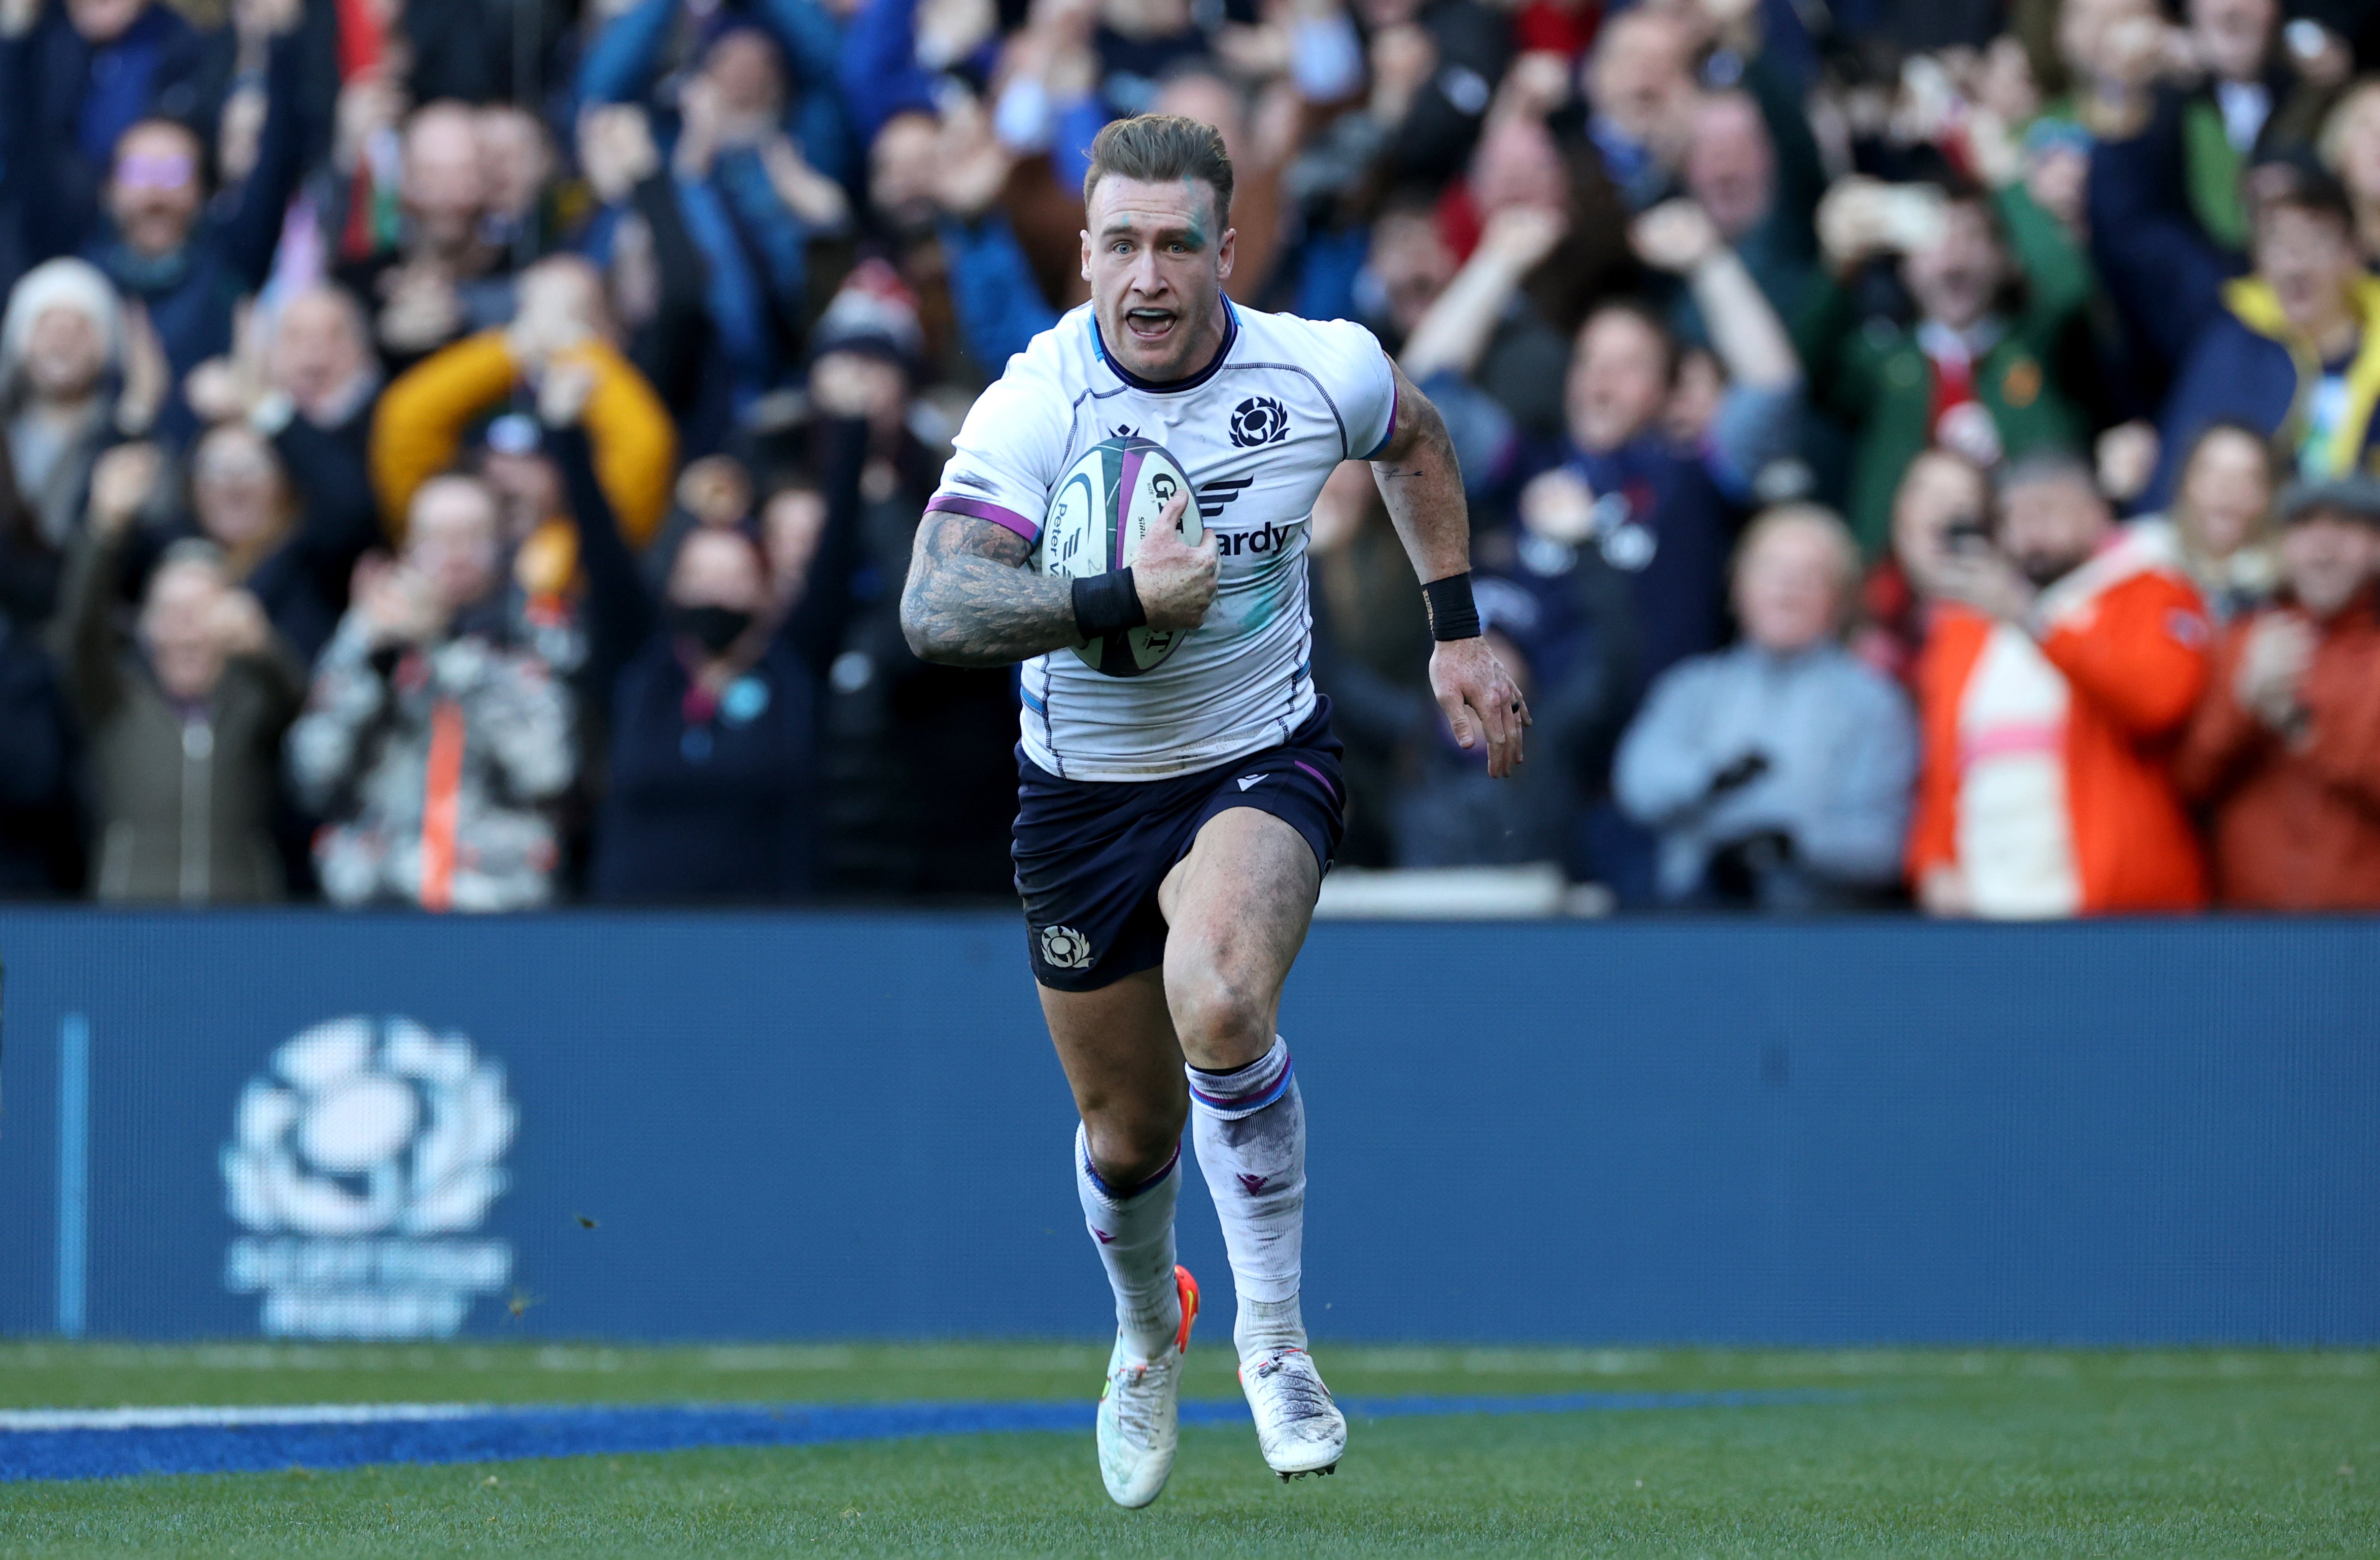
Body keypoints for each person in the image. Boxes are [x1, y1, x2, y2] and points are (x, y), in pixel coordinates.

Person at [898, 115, 1526, 1503]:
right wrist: (1118, 597)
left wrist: (1455, 627)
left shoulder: (1317, 367)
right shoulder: (1036, 402)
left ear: (1225, 251)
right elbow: (934, 607)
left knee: (1225, 1000)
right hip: (1081, 800)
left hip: (1258, 757)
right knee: (1129, 1138)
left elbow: (1410, 438)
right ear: (1083, 255)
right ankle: (1142, 1332)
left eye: (1178, 241)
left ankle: (1278, 1342)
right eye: (1119, 241)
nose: (1148, 273)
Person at [1909, 453, 2212, 918]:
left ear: (2098, 514)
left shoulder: (2152, 592)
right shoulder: (1967, 626)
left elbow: (2158, 703)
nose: (2031, 530)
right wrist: (1934, 861)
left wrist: (2035, 621)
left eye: (2048, 510)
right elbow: (1944, 761)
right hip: (1984, 906)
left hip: (2109, 906)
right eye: (2015, 516)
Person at [287, 473, 575, 911]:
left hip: (498, 904)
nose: (455, 553)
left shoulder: (538, 634)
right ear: (408, 548)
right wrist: (375, 670)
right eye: (438, 537)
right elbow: (313, 775)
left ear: (502, 543)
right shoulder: (367, 634)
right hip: (376, 902)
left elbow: (548, 772)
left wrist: (442, 654)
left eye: (471, 536)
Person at [1614, 505, 1917, 909]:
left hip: (1819, 933)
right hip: (1695, 917)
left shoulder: (1874, 704)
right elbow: (1636, 785)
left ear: (1841, 599)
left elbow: (1886, 843)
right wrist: (1710, 778)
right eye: (1770, 570)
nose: (1786, 587)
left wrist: (1797, 843)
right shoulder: (1693, 687)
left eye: (1810, 575)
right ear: (1737, 586)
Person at [54, 442, 305, 901]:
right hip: (133, 926)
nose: (185, 629)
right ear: (145, 625)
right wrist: (104, 530)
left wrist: (264, 648)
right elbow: (80, 631)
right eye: (170, 612)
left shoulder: (252, 702)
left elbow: (301, 704)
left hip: (242, 927)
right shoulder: (115, 701)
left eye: (202, 611)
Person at [2175, 474, 2380, 908]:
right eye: (2305, 528)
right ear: (2282, 547)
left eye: (2345, 529)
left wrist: (2301, 729)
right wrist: (2241, 706)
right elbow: (2190, 781)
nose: (2324, 550)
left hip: (2363, 931)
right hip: (2254, 930)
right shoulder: (2240, 640)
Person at [2148, 163, 2380, 507]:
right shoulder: (2228, 345)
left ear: (2352, 252)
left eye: (2314, 243)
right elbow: (2175, 486)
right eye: (2278, 245)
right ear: (2257, 258)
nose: (2295, 267)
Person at [2158, 419, 2282, 619]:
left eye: (2248, 477)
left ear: (2270, 495)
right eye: (2210, 472)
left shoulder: (2287, 588)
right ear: (2183, 484)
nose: (2227, 488)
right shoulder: (2133, 561)